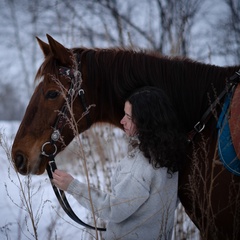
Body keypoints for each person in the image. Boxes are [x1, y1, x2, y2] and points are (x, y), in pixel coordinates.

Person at [52, 86, 186, 240]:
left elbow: (113, 210)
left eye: (129, 117)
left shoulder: (140, 165)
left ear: (146, 120)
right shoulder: (170, 156)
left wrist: (73, 186)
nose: (122, 121)